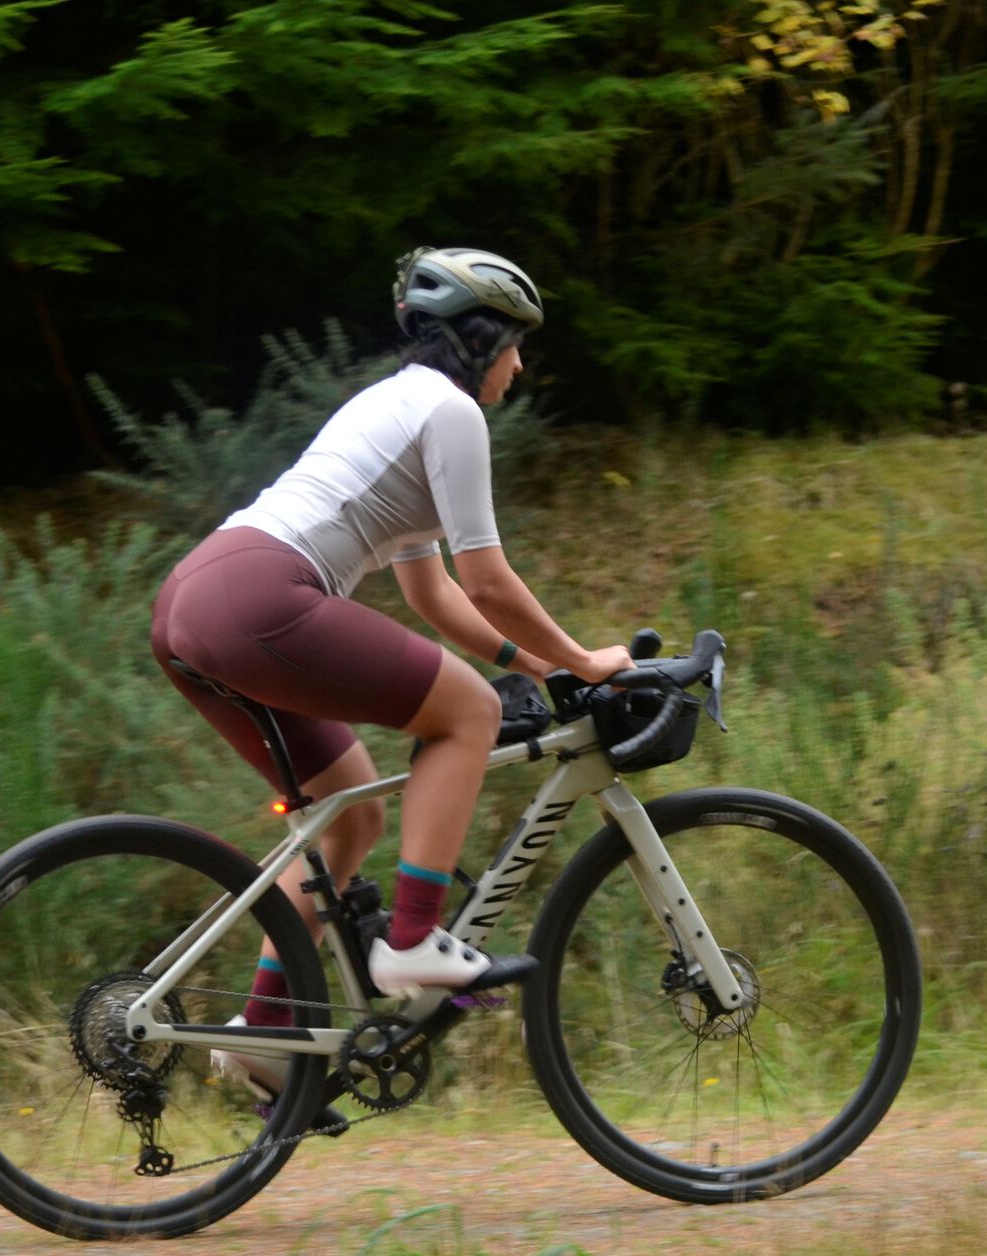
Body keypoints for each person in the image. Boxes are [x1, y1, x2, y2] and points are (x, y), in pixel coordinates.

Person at [147, 246, 633, 1095]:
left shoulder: (396, 406)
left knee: (347, 821)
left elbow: (435, 594)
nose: (519, 366)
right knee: (468, 715)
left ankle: (262, 1032)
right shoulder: (450, 414)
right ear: (479, 339)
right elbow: (487, 577)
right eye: (515, 344)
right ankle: (410, 940)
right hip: (259, 594)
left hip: (196, 600)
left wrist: (532, 662)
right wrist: (584, 661)